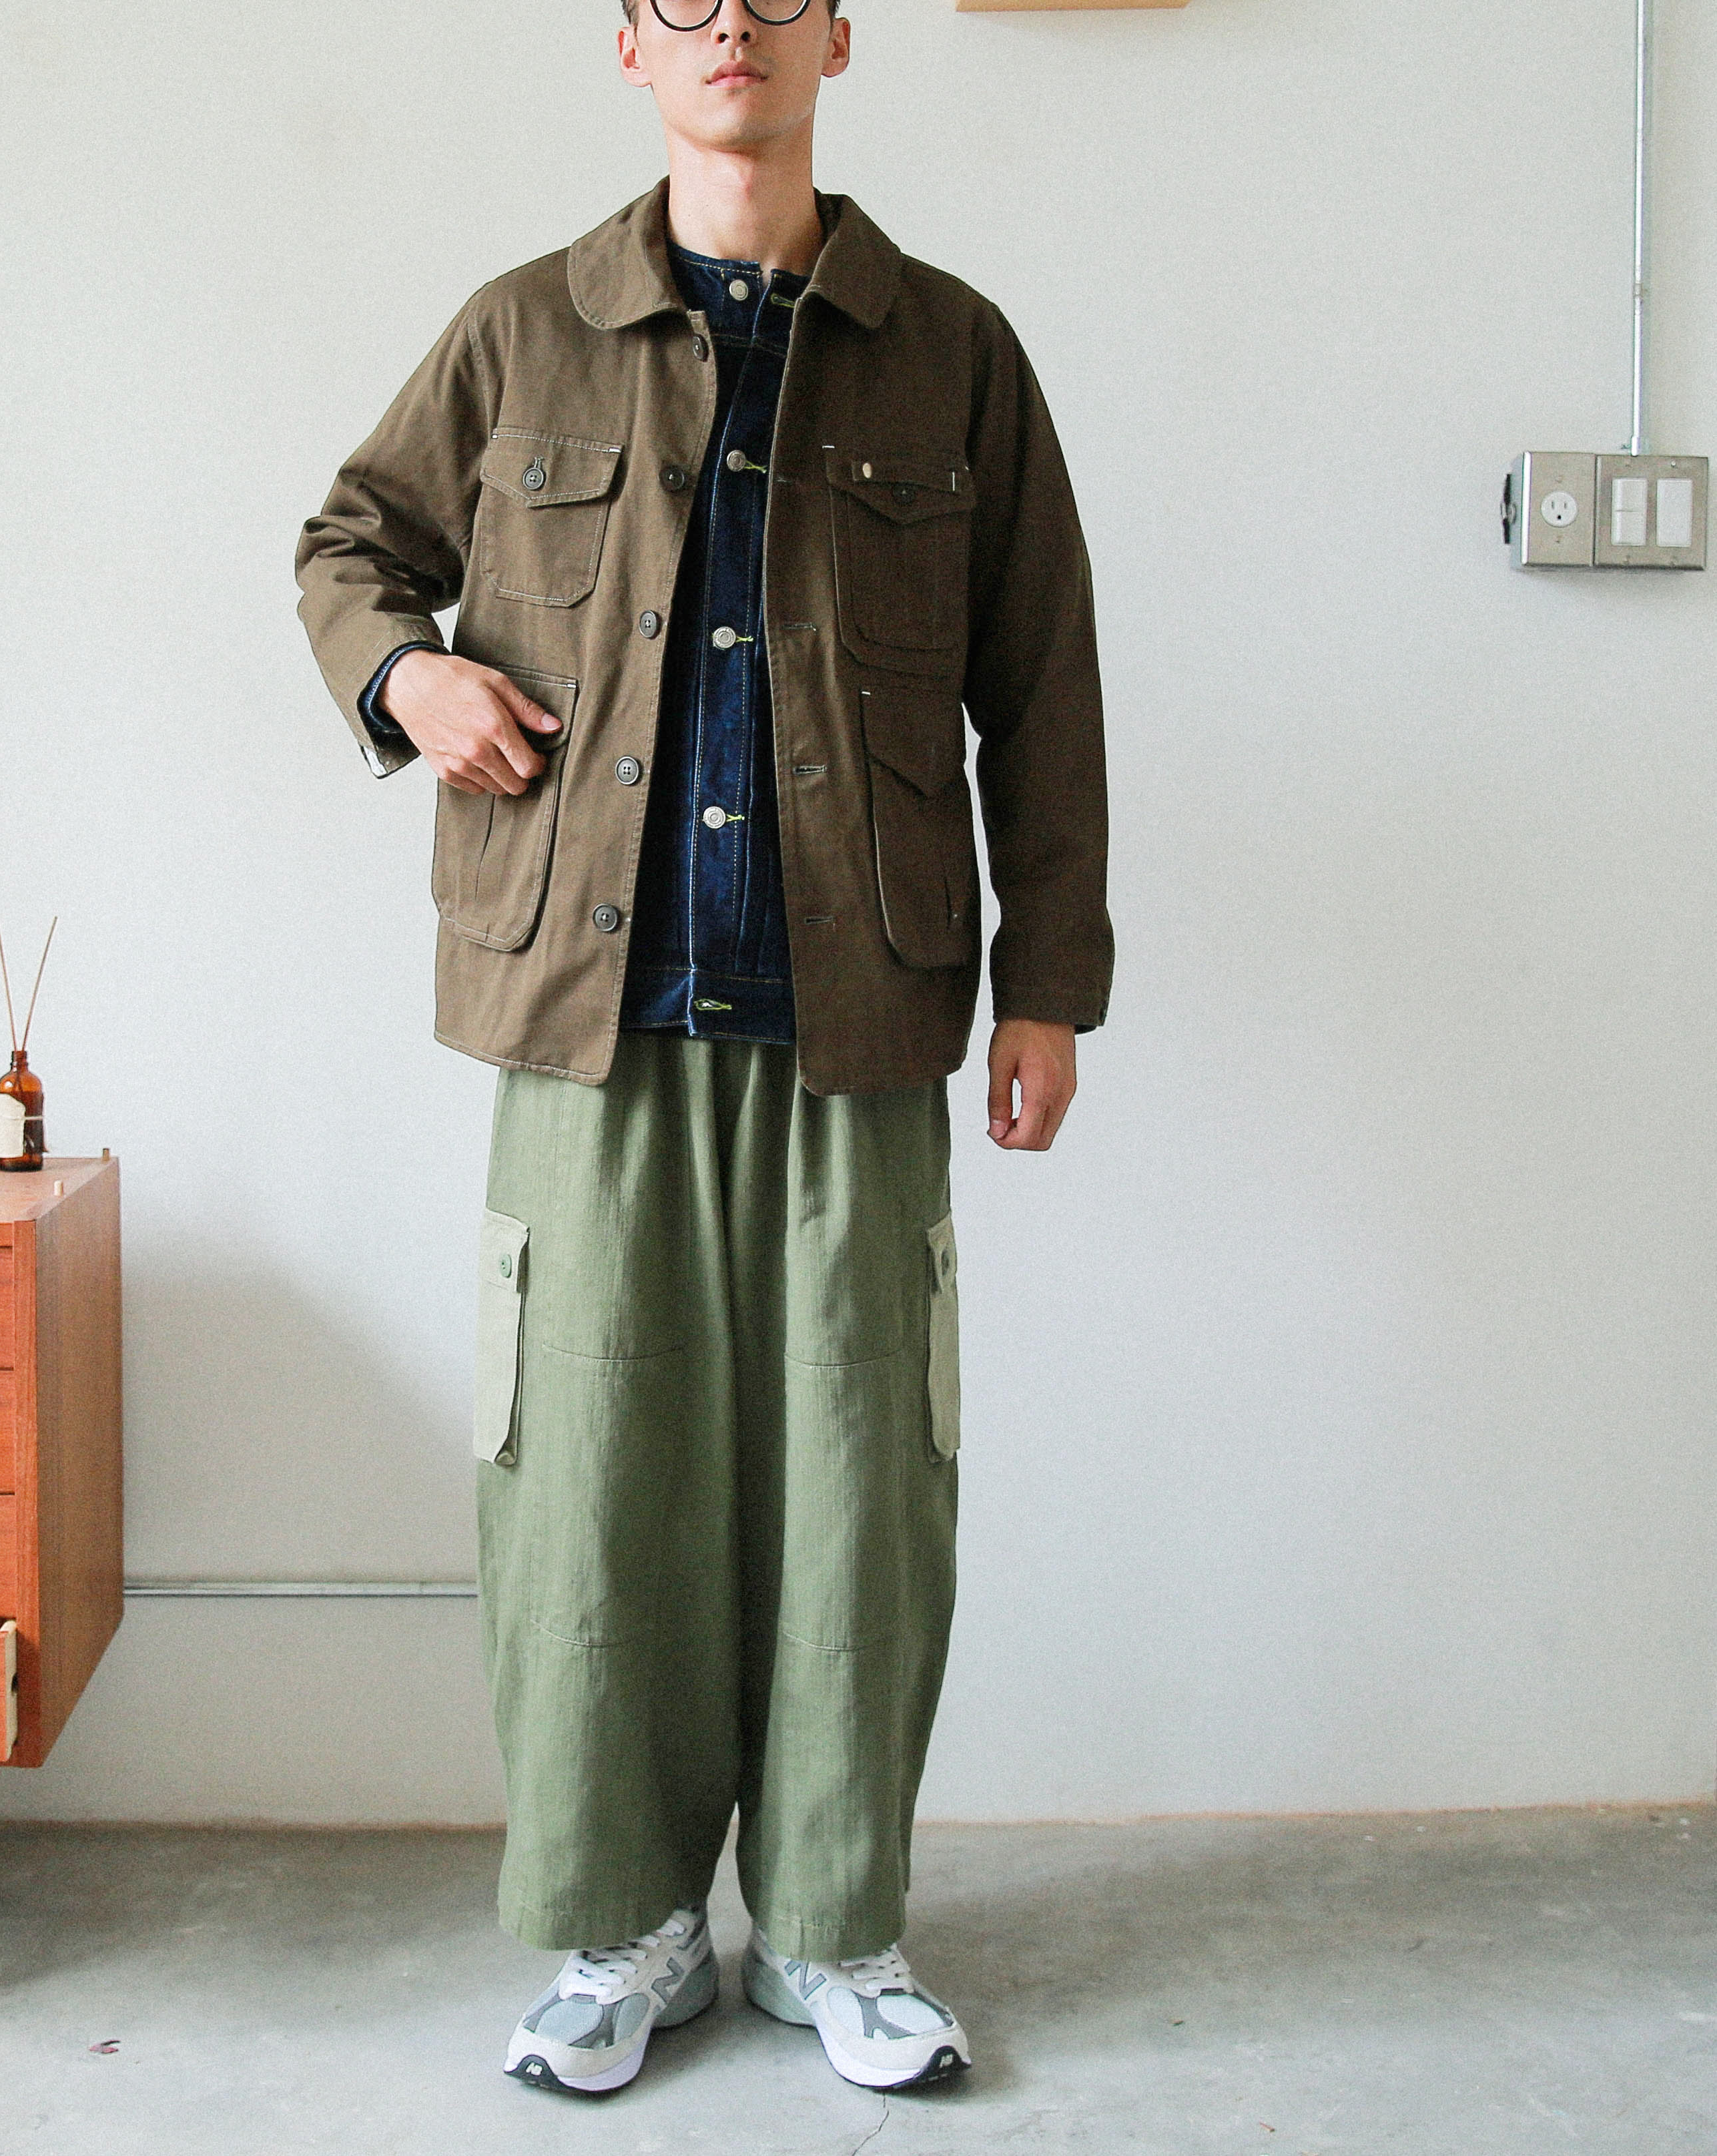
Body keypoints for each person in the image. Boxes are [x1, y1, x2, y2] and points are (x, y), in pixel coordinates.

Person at [297, 0, 1110, 2099]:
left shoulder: (952, 350)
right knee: (588, 1490)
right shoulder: (523, 332)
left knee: (862, 1489)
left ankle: (835, 1927)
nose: (731, 19)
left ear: (839, 35)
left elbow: (1043, 680)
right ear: (630, 48)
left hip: (862, 1013)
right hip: (590, 1022)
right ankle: (626, 1928)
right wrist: (409, 684)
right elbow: (351, 548)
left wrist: (1050, 980)